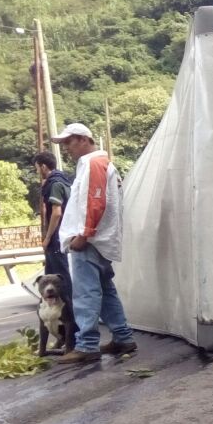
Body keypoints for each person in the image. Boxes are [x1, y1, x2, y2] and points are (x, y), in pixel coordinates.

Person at [51, 123, 137, 364]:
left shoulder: (93, 163)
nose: (66, 148)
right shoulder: (101, 163)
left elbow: (95, 201)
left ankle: (87, 345)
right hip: (100, 240)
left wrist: (84, 235)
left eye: (68, 142)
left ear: (82, 139)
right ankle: (123, 337)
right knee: (106, 290)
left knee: (85, 293)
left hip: (89, 241)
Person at [33, 151, 73, 300]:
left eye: (37, 168)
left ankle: (68, 309)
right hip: (65, 231)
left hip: (57, 235)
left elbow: (56, 213)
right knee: (51, 274)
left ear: (43, 166)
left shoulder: (55, 184)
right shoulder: (64, 180)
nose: (37, 171)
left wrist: (48, 237)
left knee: (60, 276)